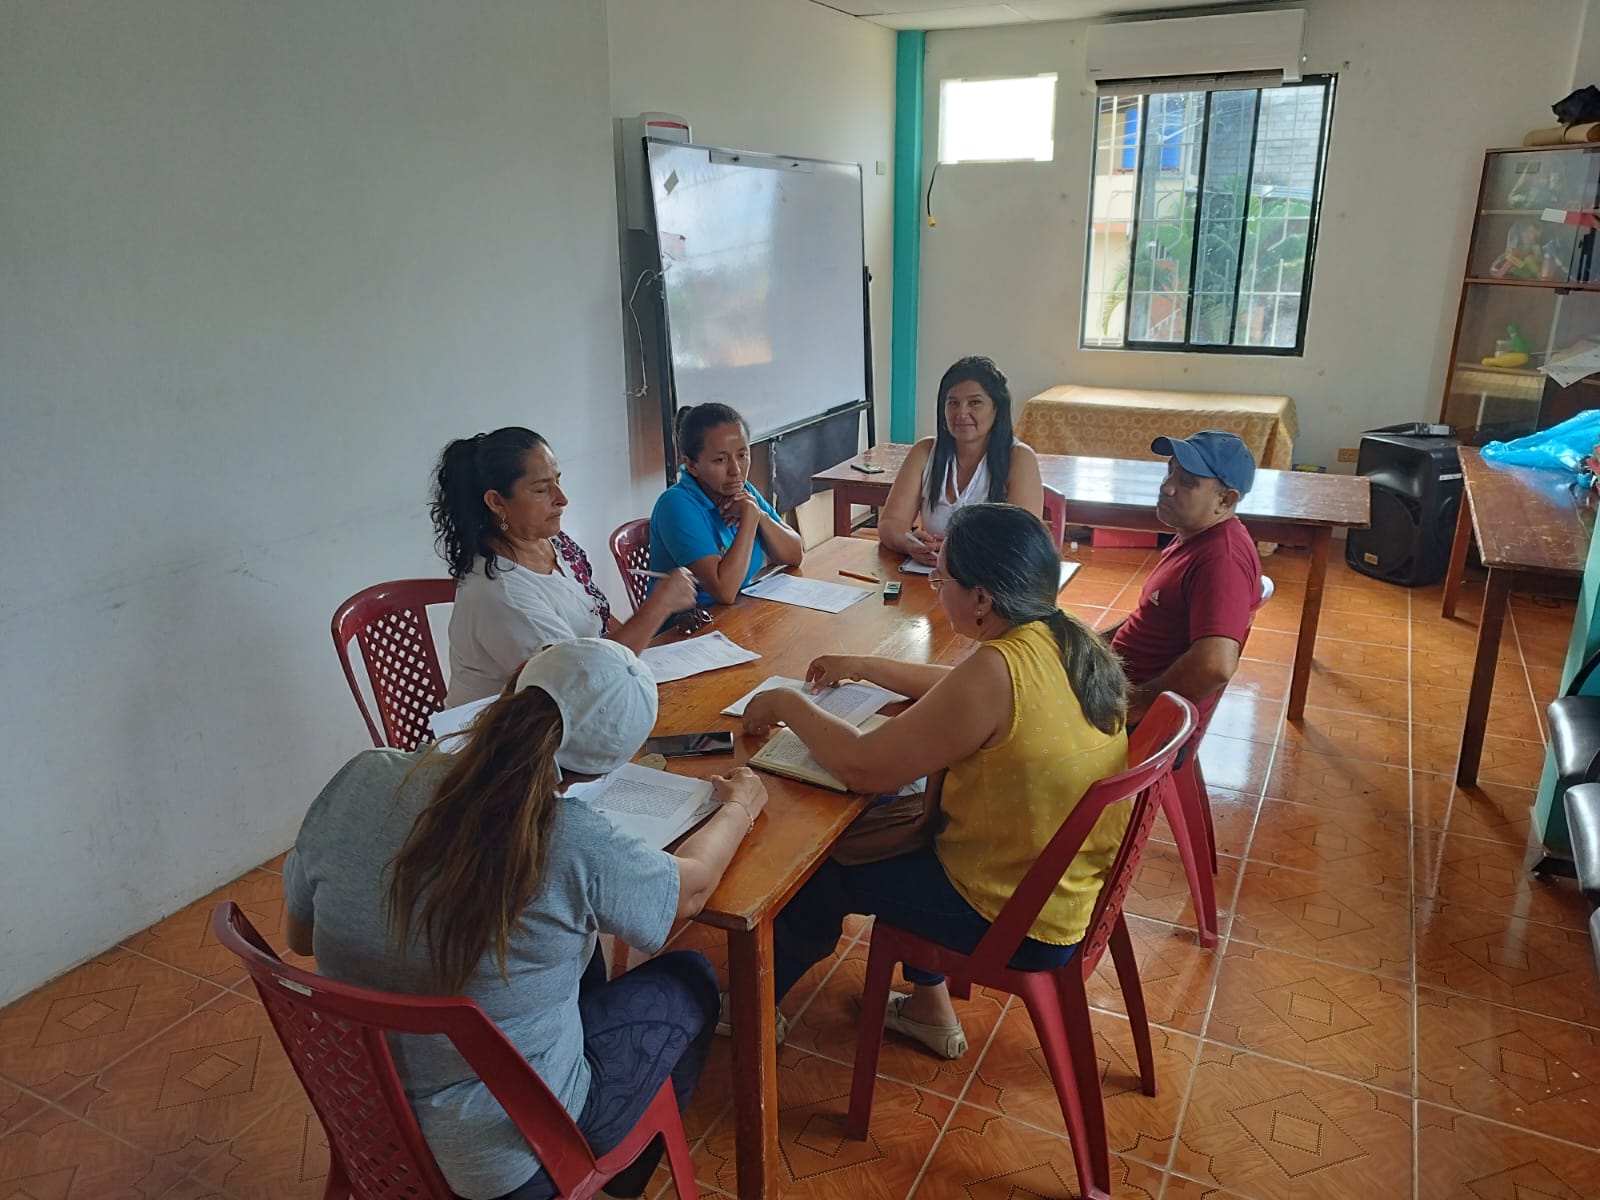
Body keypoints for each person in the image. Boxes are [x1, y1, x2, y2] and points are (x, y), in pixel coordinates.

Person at [283, 638, 770, 1200]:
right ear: (603, 768)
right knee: (691, 978)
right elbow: (693, 889)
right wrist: (741, 805)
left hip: (364, 1118)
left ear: (512, 687)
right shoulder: (571, 841)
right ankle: (624, 1167)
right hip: (504, 1160)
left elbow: (300, 937)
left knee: (575, 957)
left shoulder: (364, 775)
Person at [740, 503, 1128, 1058]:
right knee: (907, 831)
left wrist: (786, 703)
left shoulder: (996, 672)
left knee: (822, 872)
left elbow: (863, 766)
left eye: (942, 580)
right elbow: (958, 686)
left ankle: (750, 1010)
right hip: (1058, 891)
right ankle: (929, 1007)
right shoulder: (1065, 639)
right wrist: (865, 666)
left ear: (982, 599)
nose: (938, 589)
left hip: (1009, 917)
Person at [433, 427, 701, 706]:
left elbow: (596, 617)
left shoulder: (551, 542)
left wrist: (648, 644)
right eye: (541, 489)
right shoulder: (500, 593)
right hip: (513, 729)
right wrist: (659, 605)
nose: (561, 498)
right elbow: (581, 683)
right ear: (497, 502)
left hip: (577, 707)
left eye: (557, 481)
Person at [1108, 431, 1264, 728]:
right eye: (1170, 473)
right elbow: (1154, 617)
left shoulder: (1222, 562)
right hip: (1117, 685)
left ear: (1225, 499)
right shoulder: (1194, 535)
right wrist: (1091, 645)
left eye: (1187, 482)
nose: (1166, 487)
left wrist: (1138, 704)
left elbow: (1215, 666)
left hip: (1140, 720)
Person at [877, 356, 1044, 567]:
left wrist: (955, 551)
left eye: (975, 403)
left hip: (992, 578)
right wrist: (910, 544)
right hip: (934, 576)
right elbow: (890, 523)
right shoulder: (924, 452)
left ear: (996, 408)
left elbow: (1023, 540)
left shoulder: (1019, 458)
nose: (961, 413)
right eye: (953, 403)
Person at [649, 403, 805, 606]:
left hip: (739, 612)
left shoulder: (743, 491)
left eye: (742, 455)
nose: (736, 470)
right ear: (692, 465)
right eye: (720, 460)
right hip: (692, 623)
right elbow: (724, 591)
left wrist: (760, 516)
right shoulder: (676, 505)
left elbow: (794, 554)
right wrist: (750, 516)